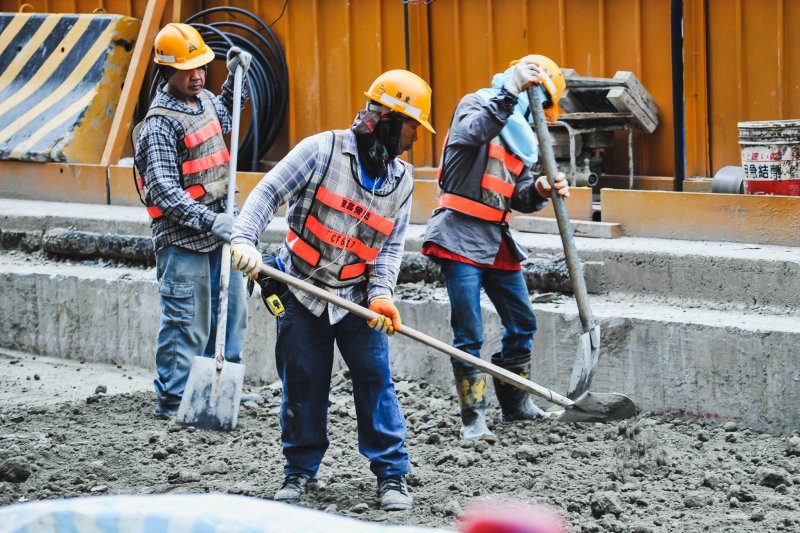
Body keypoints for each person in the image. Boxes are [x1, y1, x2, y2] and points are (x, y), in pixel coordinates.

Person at [228, 70, 434, 512]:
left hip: (357, 299)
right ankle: (299, 471)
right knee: (302, 382)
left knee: (376, 381)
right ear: (389, 119)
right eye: (413, 126)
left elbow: (390, 246)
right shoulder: (321, 150)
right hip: (300, 290)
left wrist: (382, 294)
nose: (416, 137)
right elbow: (266, 196)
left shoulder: (401, 180)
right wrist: (244, 242)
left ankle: (392, 474)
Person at [421, 54, 570, 442]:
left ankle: (516, 406)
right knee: (468, 331)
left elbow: (515, 194)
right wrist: (508, 93)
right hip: (458, 234)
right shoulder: (477, 104)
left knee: (523, 323)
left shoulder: (521, 138)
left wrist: (537, 190)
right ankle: (473, 419)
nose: (542, 112)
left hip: (495, 237)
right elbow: (474, 132)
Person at [133, 22, 253, 419]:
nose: (198, 75)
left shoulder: (204, 104)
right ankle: (174, 397)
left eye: (202, 66)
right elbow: (164, 190)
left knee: (231, 311)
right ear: (167, 72)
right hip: (183, 238)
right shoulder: (159, 124)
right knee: (187, 319)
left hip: (219, 232)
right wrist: (207, 220)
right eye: (188, 70)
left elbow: (228, 114)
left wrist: (238, 78)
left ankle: (223, 381)